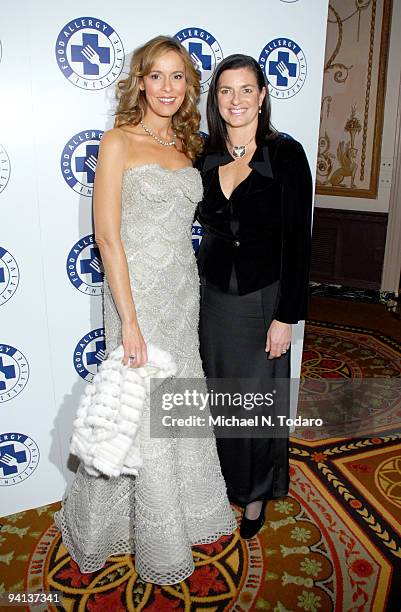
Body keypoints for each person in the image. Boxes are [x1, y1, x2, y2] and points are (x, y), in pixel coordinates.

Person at [55, 36, 236, 585]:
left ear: (188, 86)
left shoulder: (190, 147)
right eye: (155, 76)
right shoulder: (118, 142)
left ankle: (175, 515)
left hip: (183, 293)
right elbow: (108, 238)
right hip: (138, 301)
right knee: (136, 409)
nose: (166, 87)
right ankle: (132, 528)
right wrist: (129, 322)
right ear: (139, 82)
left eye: (177, 77)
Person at [195, 54, 312, 539]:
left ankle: (256, 495)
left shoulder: (285, 154)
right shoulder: (203, 155)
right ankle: (225, 484)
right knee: (222, 402)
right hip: (215, 298)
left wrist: (287, 316)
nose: (236, 100)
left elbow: (299, 242)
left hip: (265, 299)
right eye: (226, 91)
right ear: (215, 100)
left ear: (263, 96)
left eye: (247, 89)